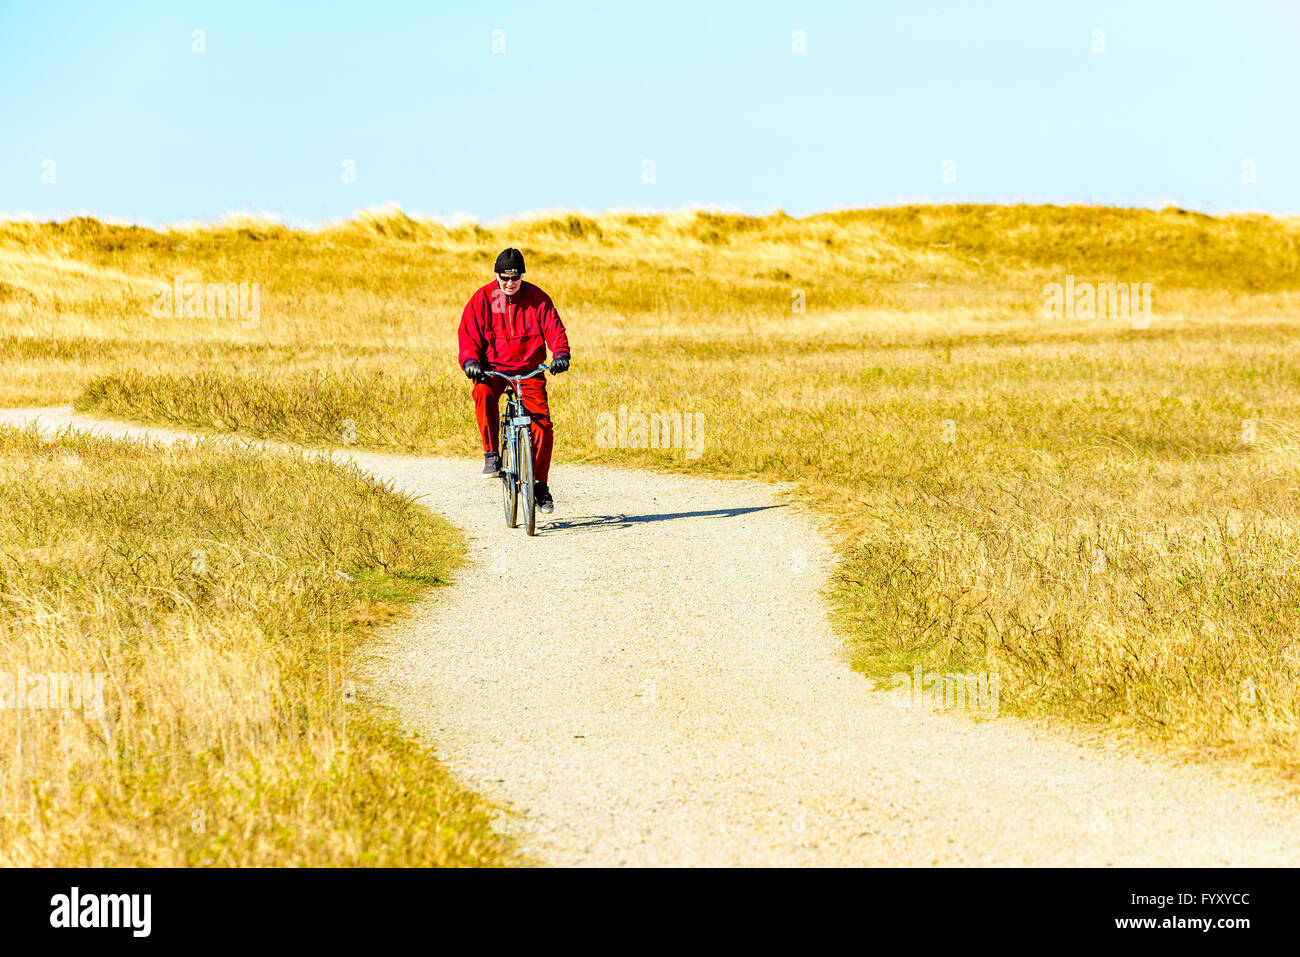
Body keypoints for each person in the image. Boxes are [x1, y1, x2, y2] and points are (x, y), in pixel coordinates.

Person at [457, 247, 570, 513]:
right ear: (497, 275)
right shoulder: (483, 299)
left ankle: (540, 485)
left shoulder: (538, 298)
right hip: (492, 370)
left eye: (515, 278)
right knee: (482, 393)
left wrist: (561, 354)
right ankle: (491, 455)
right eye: (504, 278)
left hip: (529, 370)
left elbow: (555, 330)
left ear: (522, 276)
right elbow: (468, 334)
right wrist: (471, 361)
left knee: (542, 425)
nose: (510, 284)